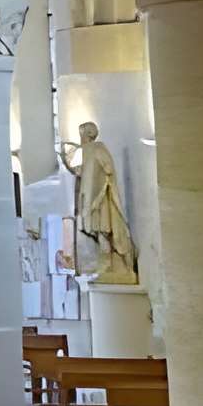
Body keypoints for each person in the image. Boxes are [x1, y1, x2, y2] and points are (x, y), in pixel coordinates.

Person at [61, 122, 137, 284]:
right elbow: (81, 171)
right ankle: (105, 264)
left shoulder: (97, 148)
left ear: (88, 134)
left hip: (99, 199)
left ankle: (109, 264)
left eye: (82, 134)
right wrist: (66, 161)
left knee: (103, 231)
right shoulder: (86, 151)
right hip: (88, 198)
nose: (80, 138)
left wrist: (99, 185)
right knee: (96, 231)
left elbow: (108, 168)